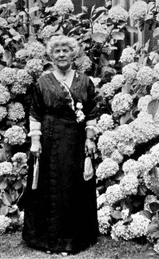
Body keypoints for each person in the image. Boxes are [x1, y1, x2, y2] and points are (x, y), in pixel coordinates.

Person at [22, 35, 98, 254]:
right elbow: (35, 111)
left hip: (74, 142)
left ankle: (72, 240)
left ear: (73, 54)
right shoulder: (43, 82)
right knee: (47, 187)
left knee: (72, 188)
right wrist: (35, 141)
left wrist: (90, 138)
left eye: (66, 51)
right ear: (51, 55)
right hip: (48, 139)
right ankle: (45, 241)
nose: (62, 55)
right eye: (57, 51)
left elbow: (92, 110)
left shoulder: (84, 81)